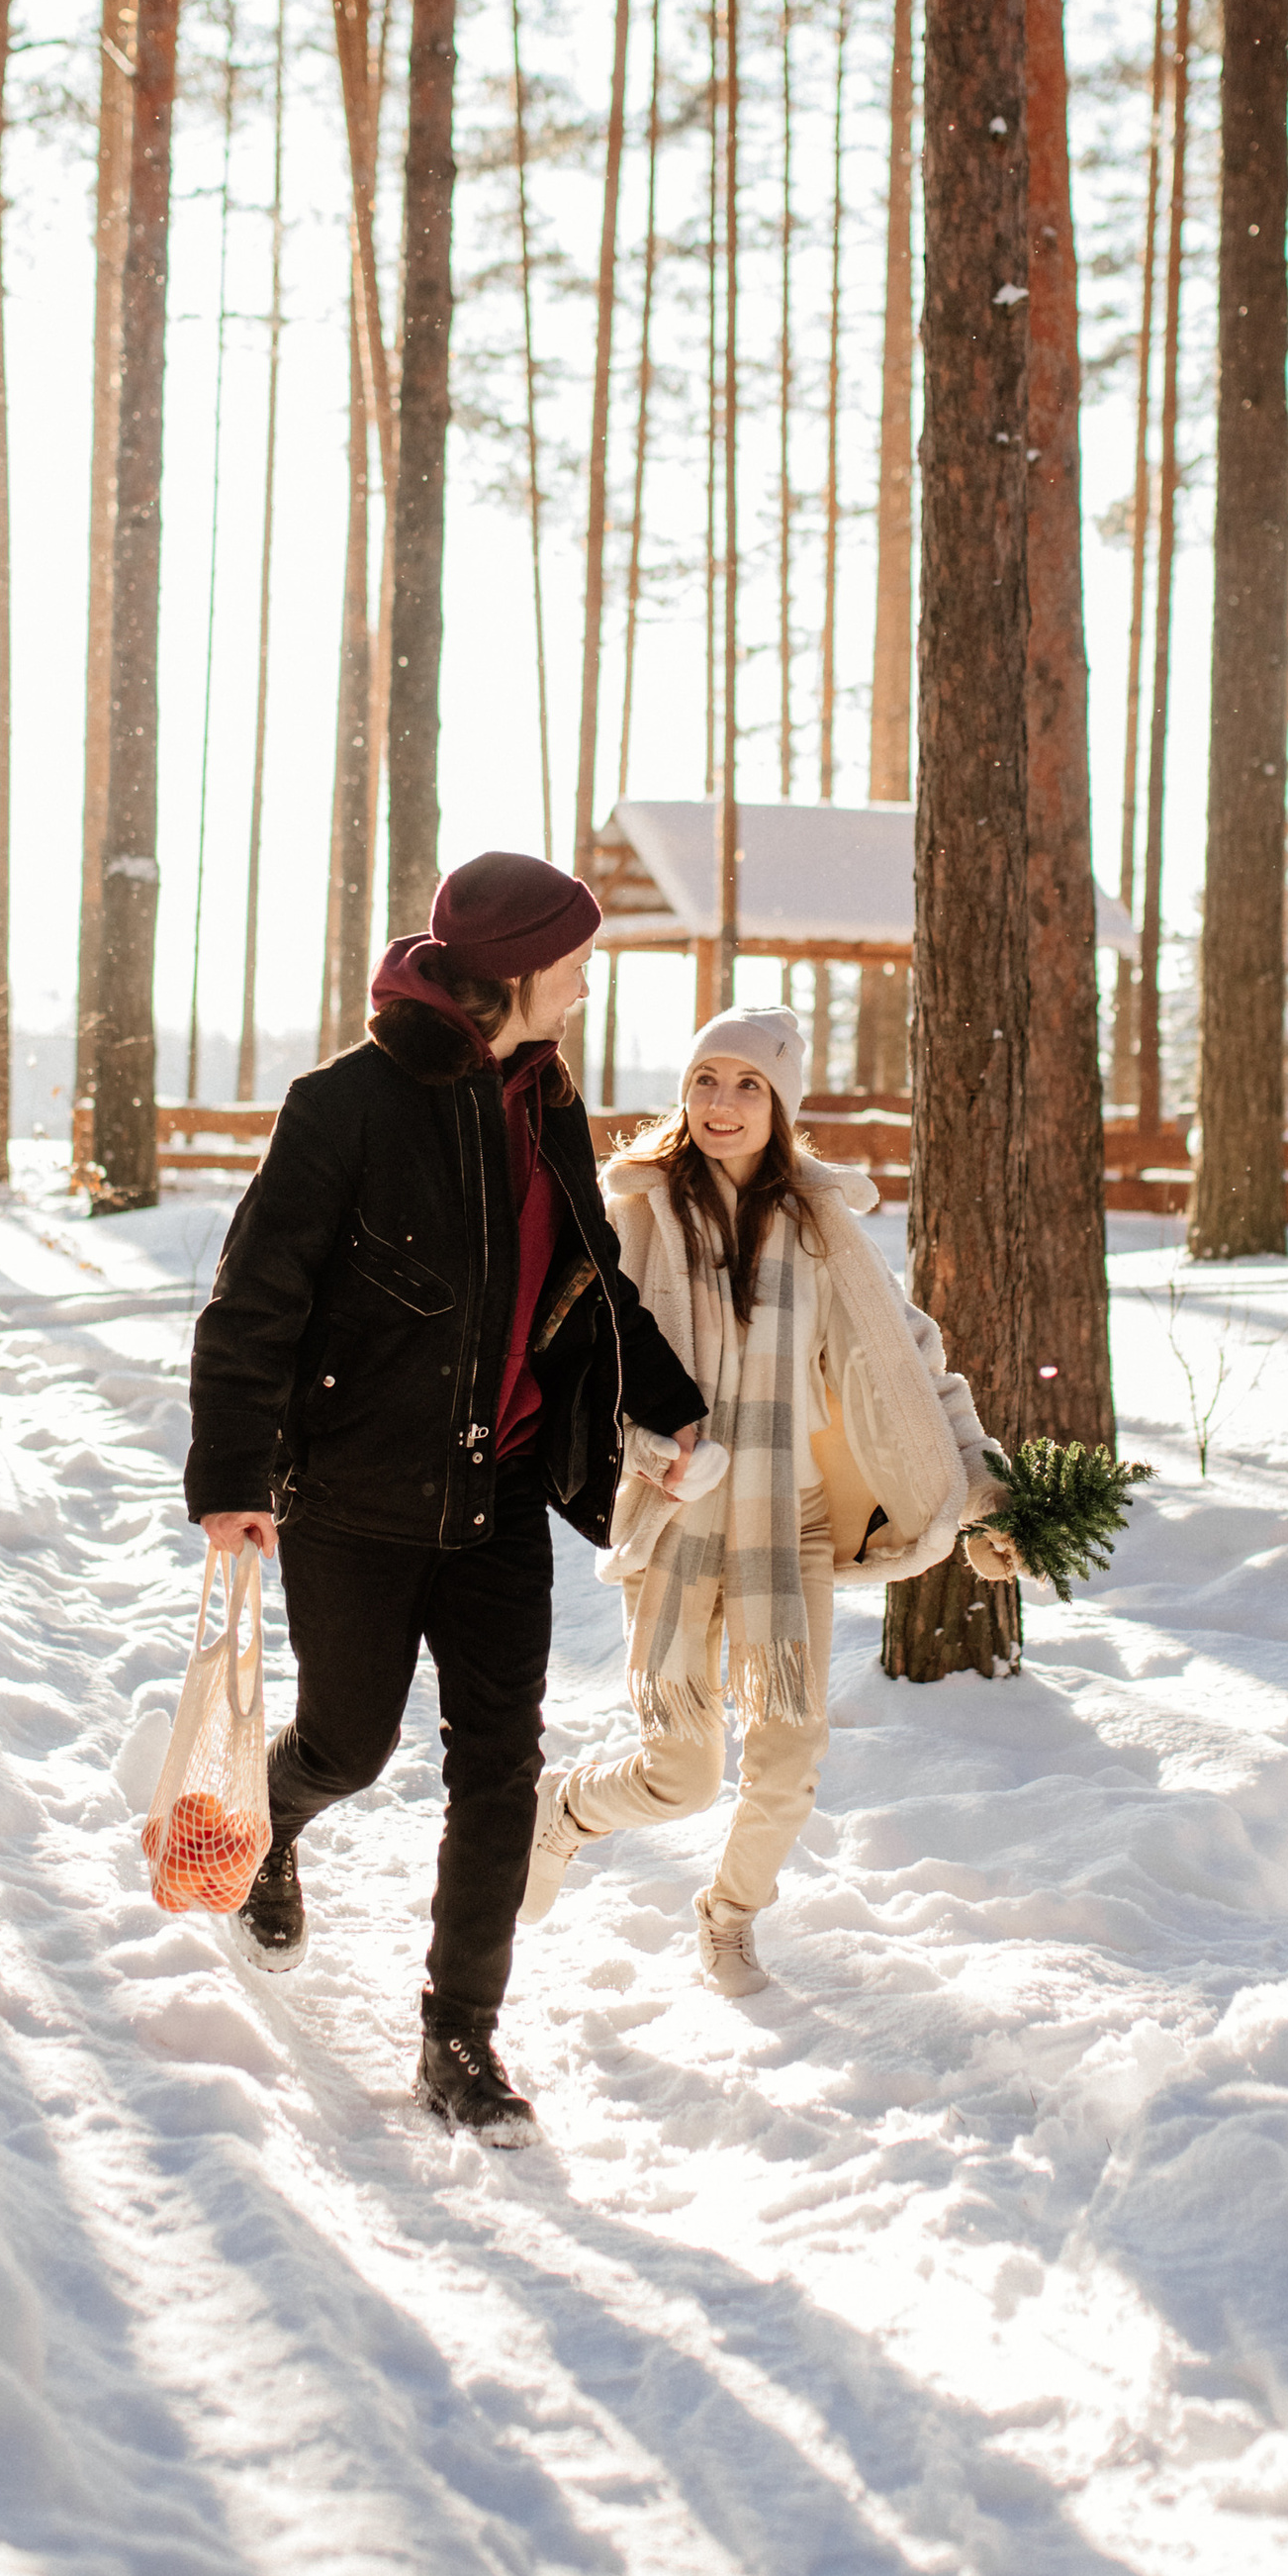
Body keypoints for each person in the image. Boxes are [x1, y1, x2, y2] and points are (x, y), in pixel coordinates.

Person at [183, 852, 706, 2144]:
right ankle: (271, 1813)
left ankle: (458, 2037)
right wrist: (234, 1480)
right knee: (346, 1745)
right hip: (356, 1493)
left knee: (500, 1769)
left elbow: (587, 1283)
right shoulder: (342, 1106)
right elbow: (254, 1305)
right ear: (518, 968)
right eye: (575, 962)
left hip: (501, 1494)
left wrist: (668, 1399)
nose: (587, 985)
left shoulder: (547, 1105)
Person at [522, 1003, 1024, 1995]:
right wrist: (646, 1448)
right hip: (676, 1520)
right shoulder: (637, 1213)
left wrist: (981, 1485)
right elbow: (584, 1363)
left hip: (784, 1522)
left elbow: (906, 1366)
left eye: (748, 1085)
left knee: (789, 1759)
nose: (723, 1103)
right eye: (708, 1079)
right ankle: (566, 1812)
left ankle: (730, 1916)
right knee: (683, 1772)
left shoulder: (819, 1229)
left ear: (780, 1105)